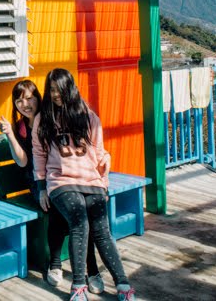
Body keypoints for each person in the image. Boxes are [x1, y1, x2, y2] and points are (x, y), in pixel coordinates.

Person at [32, 69, 136, 301]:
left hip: (91, 180)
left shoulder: (88, 116)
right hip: (61, 181)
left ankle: (123, 284)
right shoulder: (43, 119)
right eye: (52, 90)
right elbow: (39, 154)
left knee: (102, 230)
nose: (56, 94)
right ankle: (78, 286)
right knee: (79, 222)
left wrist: (104, 184)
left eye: (60, 90)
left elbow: (99, 152)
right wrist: (41, 188)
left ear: (70, 89)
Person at [0, 79, 104, 295]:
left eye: (29, 98)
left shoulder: (52, 118)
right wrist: (10, 135)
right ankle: (58, 264)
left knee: (82, 210)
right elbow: (23, 162)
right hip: (39, 182)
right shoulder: (21, 128)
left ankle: (89, 269)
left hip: (66, 176)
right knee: (60, 208)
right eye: (19, 100)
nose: (25, 104)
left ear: (38, 97)